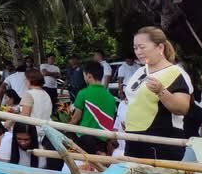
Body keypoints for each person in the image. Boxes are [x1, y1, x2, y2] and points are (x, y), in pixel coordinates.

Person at [123, 26, 192, 159]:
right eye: (135, 48)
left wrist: (161, 91)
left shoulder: (176, 72)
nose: (138, 52)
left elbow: (183, 108)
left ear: (160, 48)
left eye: (142, 47)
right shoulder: (139, 72)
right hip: (133, 136)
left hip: (161, 140)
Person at [67, 61, 117, 155]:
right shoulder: (111, 97)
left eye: (84, 75)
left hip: (85, 139)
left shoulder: (83, 93)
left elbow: (75, 119)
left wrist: (63, 128)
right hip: (103, 141)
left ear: (89, 76)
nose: (84, 78)